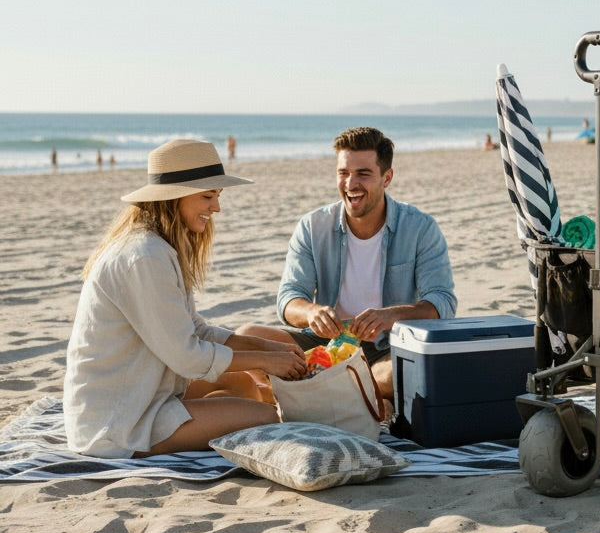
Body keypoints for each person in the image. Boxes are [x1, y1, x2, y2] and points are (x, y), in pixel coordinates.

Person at [64, 139, 307, 458]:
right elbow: (187, 357)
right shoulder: (145, 256)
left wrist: (268, 348)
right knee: (266, 417)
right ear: (173, 197)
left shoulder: (158, 248)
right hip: (118, 421)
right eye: (208, 196)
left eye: (217, 196)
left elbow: (196, 330)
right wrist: (266, 361)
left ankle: (200, 423)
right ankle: (195, 427)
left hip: (146, 391)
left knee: (245, 387)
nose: (216, 208)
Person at [238, 126, 456, 400]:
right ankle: (345, 397)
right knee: (246, 337)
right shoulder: (312, 226)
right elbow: (289, 299)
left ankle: (316, 395)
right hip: (324, 344)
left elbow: (443, 303)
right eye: (343, 173)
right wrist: (312, 313)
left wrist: (390, 315)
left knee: (395, 374)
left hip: (387, 346)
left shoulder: (421, 228)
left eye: (363, 174)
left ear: (386, 178)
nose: (351, 184)